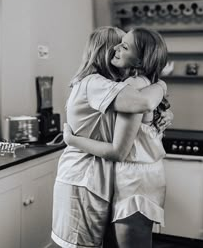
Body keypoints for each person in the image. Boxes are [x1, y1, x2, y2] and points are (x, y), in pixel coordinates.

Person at [63, 27, 172, 248]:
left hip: (134, 180)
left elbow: (118, 150)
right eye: (118, 43)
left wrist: (71, 140)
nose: (117, 48)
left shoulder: (131, 87)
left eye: (125, 45)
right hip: (136, 175)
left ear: (140, 60)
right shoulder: (139, 85)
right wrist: (161, 87)